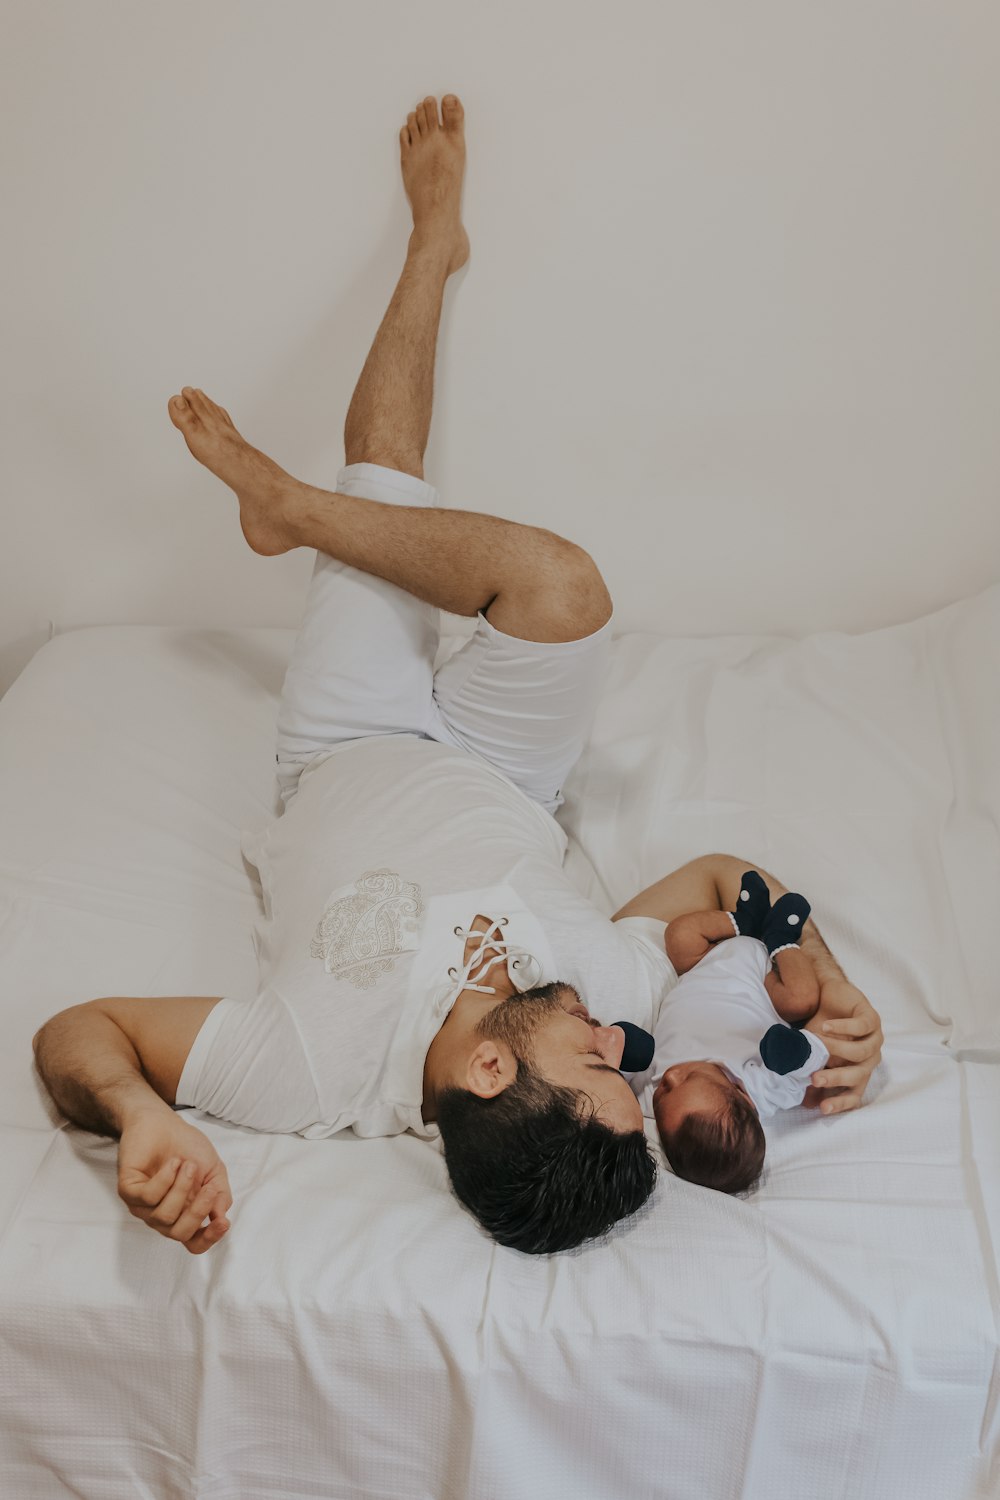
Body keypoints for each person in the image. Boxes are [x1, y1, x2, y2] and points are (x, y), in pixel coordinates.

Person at [32, 95, 884, 1256]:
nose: (615, 1050)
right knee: (568, 590)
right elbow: (723, 877)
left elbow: (79, 1031)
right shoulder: (605, 1004)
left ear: (489, 1070)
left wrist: (135, 1111)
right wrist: (822, 976)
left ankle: (425, 263)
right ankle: (300, 515)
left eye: (590, 1070)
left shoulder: (306, 1071)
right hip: (508, 772)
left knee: (385, 476)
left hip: (344, 748)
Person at [631, 872, 834, 1194]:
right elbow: (808, 1071)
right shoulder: (760, 1088)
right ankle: (782, 939)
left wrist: (626, 1049)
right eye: (687, 1080)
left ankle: (742, 920)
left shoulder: (651, 1103)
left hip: (701, 963)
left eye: (664, 1094)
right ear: (742, 1097)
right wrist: (796, 1052)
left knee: (679, 934)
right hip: (761, 979)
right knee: (801, 1000)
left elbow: (629, 1074)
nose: (669, 1077)